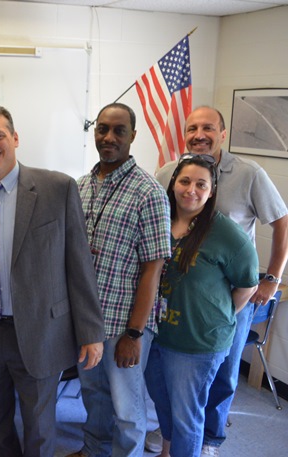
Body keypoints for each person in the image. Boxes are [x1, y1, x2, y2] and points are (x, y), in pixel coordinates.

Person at [0, 104, 105, 457]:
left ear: (15, 138)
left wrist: (91, 332)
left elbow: (78, 263)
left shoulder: (58, 188)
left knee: (39, 431)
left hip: (40, 332)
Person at [152, 106, 288, 456]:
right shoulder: (168, 171)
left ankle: (208, 439)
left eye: (208, 127)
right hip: (176, 295)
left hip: (229, 294)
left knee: (222, 373)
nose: (200, 134)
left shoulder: (248, 173)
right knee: (171, 377)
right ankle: (175, 435)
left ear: (222, 133)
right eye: (192, 127)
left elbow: (281, 222)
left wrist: (271, 278)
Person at [66, 103, 171, 457]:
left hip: (124, 323)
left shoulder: (149, 193)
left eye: (118, 131)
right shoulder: (78, 187)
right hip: (86, 321)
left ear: (133, 136)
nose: (108, 137)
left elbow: (152, 269)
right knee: (94, 397)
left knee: (127, 409)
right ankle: (94, 450)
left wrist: (134, 335)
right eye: (102, 129)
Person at [146, 153, 259, 457]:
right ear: (173, 184)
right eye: (184, 181)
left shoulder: (227, 235)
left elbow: (248, 285)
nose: (190, 189)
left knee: (187, 417)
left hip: (196, 344)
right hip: (156, 334)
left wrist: (218, 315)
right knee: (163, 403)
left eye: (201, 184)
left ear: (212, 191)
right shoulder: (159, 220)